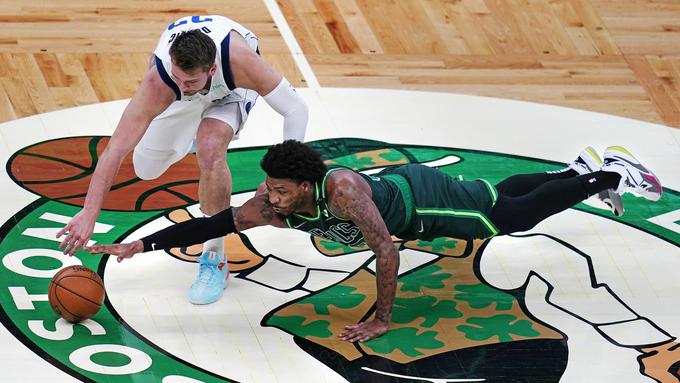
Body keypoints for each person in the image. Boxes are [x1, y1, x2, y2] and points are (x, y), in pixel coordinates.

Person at [86, 140, 663, 342]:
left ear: (307, 184)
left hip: (418, 206)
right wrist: (143, 246)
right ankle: (578, 167)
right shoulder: (270, 203)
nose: (271, 197)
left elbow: (387, 250)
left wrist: (382, 317)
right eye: (270, 187)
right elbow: (215, 224)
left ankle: (607, 177)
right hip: (413, 196)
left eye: (282, 189)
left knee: (506, 220)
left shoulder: (341, 193)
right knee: (493, 192)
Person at [56, 15, 309, 305]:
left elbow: (296, 110)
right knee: (146, 169)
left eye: (189, 80)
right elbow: (115, 149)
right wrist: (89, 212)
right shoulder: (162, 82)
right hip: (181, 96)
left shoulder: (242, 63)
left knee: (211, 149)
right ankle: (190, 133)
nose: (183, 85)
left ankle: (214, 257)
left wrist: (284, 180)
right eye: (178, 77)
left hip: (229, 92)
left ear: (212, 68)